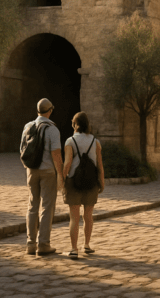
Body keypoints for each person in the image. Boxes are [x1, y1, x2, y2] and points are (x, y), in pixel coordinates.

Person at [22, 98, 63, 256]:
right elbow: (56, 154)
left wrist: (28, 167)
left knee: (32, 205)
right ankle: (43, 244)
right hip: (48, 172)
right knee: (47, 206)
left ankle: (30, 244)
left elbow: (22, 149)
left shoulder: (28, 126)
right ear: (50, 110)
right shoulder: (52, 129)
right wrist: (60, 174)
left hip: (31, 170)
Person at [62, 111, 105, 260]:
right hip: (91, 182)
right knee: (88, 216)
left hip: (74, 181)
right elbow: (100, 164)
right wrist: (102, 182)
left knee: (74, 217)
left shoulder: (70, 141)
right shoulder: (95, 142)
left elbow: (67, 163)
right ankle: (86, 245)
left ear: (75, 124)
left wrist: (62, 180)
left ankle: (74, 249)